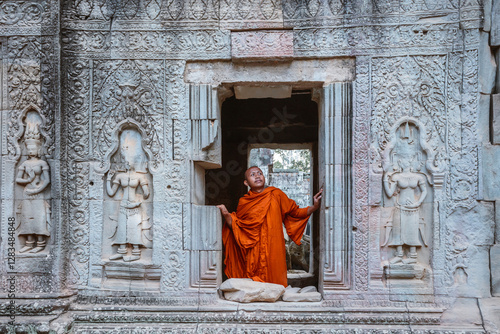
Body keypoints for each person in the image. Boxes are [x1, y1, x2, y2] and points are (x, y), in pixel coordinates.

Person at [217, 166, 322, 287]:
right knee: (254, 280)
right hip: (254, 248)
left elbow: (295, 212)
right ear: (246, 182)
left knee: (274, 279)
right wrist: (226, 214)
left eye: (260, 173)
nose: (257, 176)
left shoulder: (276, 194)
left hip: (274, 246)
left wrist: (314, 207)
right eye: (252, 175)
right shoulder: (244, 202)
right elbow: (239, 227)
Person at [382, 158, 428, 264]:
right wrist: (385, 179)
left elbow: (424, 191)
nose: (406, 162)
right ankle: (399, 254)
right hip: (400, 206)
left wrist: (418, 202)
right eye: (403, 160)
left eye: (408, 160)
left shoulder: (418, 177)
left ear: (411, 162)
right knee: (398, 230)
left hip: (413, 208)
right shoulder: (396, 177)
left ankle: (413, 256)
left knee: (412, 230)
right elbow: (389, 193)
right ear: (400, 162)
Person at [16, 124, 51, 253]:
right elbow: (18, 179)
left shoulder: (42, 163)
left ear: (38, 148)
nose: (31, 150)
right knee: (27, 217)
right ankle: (29, 243)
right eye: (29, 148)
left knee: (39, 217)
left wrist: (37, 189)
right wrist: (28, 180)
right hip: (27, 193)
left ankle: (40, 243)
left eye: (33, 148)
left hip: (38, 193)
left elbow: (46, 180)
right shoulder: (24, 164)